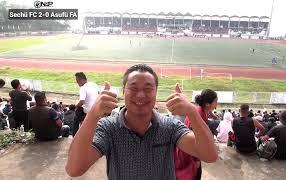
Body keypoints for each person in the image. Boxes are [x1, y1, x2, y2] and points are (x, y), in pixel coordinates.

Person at [66, 64, 218, 179]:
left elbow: (209, 155)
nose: (140, 95)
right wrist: (92, 115)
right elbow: (74, 169)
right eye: (133, 88)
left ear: (156, 92)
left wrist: (192, 112)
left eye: (148, 88)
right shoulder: (108, 128)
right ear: (124, 91)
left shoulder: (170, 126)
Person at [175, 89, 218, 180]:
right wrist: (197, 159)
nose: (217, 104)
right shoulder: (200, 115)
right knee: (194, 175)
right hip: (189, 152)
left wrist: (212, 114)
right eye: (215, 101)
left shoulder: (199, 109)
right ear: (207, 104)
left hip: (186, 149)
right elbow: (196, 139)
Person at [73, 72, 99, 137]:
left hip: (87, 112)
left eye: (77, 81)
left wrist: (75, 107)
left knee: (76, 116)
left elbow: (82, 101)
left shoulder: (83, 88)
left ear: (82, 80)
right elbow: (99, 94)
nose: (77, 82)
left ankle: (75, 136)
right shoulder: (94, 84)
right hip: (96, 110)